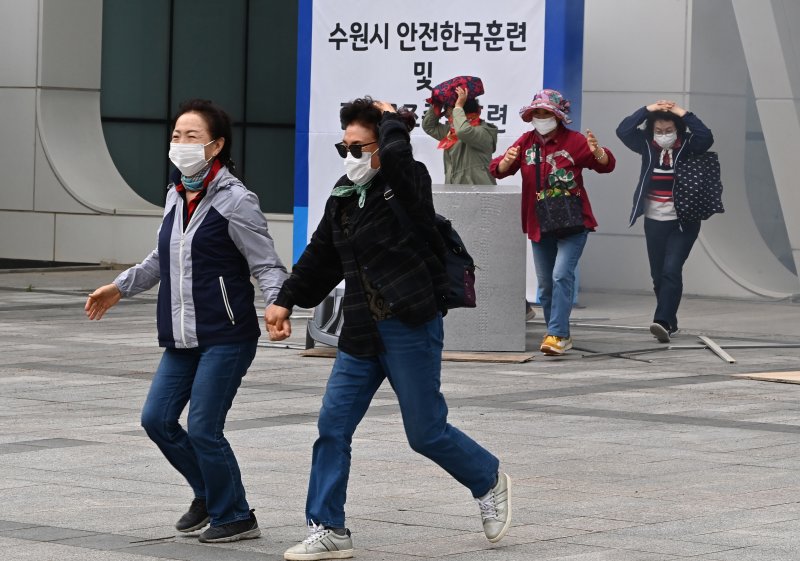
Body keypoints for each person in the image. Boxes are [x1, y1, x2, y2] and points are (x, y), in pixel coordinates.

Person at [267, 97, 511, 560]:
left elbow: (399, 160)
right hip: (360, 332)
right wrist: (285, 299)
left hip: (409, 325)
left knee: (425, 433)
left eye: (360, 147)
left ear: (383, 145)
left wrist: (395, 120)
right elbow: (321, 255)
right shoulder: (343, 195)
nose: (351, 157)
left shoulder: (407, 184)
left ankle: (488, 479)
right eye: (345, 147)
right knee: (332, 426)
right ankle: (329, 527)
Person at [85, 99, 287, 543]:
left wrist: (277, 303)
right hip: (181, 336)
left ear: (215, 146)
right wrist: (119, 287)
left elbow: (267, 263)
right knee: (156, 419)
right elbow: (163, 256)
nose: (180, 143)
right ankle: (209, 493)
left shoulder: (236, 200)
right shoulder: (176, 194)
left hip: (226, 335)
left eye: (191, 136)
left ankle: (235, 514)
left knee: (203, 428)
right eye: (176, 135)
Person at [489, 89, 615, 356]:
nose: (541, 117)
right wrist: (504, 164)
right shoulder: (525, 142)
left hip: (573, 222)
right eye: (537, 113)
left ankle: (556, 333)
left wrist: (599, 152)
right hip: (539, 222)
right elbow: (499, 169)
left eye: (546, 113)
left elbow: (605, 165)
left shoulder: (575, 141)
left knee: (561, 274)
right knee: (546, 284)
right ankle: (558, 334)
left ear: (558, 116)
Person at [616, 100, 714, 342]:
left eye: (669, 131)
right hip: (654, 220)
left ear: (678, 130)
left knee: (672, 269)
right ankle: (670, 321)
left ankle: (660, 321)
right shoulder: (647, 146)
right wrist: (647, 110)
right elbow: (623, 131)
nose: (664, 135)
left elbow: (706, 136)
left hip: (684, 221)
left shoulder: (689, 146)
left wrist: (683, 113)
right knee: (658, 274)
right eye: (659, 131)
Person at [422, 81, 498, 186]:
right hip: (454, 192)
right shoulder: (451, 132)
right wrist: (437, 104)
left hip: (480, 195)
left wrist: (458, 106)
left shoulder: (483, 132)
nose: (446, 115)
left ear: (461, 111)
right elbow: (429, 126)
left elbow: (464, 131)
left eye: (448, 111)